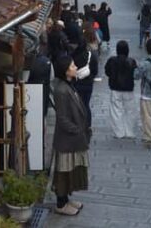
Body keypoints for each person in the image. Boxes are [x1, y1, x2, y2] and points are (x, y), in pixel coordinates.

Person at [51, 55, 90, 216]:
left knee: (70, 170)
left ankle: (66, 199)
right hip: (66, 139)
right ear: (65, 71)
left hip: (73, 137)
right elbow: (62, 118)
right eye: (72, 66)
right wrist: (76, 130)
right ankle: (61, 204)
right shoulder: (61, 90)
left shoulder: (69, 85)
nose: (75, 68)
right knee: (63, 171)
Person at [105, 40, 137, 139]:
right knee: (130, 111)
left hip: (115, 88)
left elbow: (107, 72)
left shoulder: (112, 60)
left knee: (116, 111)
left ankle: (119, 132)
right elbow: (135, 74)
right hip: (129, 89)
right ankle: (129, 132)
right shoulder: (131, 61)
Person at [72, 42, 99, 127]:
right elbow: (95, 71)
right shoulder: (91, 56)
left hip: (77, 83)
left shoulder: (74, 56)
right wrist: (91, 77)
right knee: (86, 104)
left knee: (77, 104)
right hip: (88, 84)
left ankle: (78, 122)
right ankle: (87, 124)